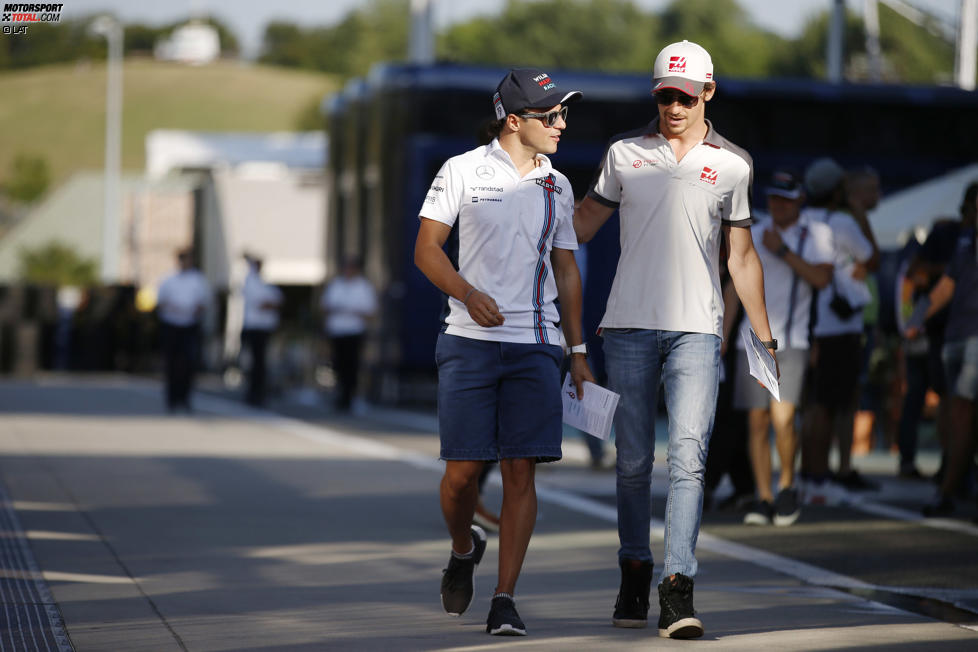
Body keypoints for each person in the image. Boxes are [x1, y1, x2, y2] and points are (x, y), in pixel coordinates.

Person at [574, 40, 776, 639]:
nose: (674, 107)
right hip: (629, 326)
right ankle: (634, 568)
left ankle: (677, 587)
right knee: (633, 464)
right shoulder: (623, 154)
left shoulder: (734, 165)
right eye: (664, 95)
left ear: (708, 93)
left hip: (697, 332)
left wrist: (763, 335)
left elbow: (741, 256)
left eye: (685, 97)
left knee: (688, 460)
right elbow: (581, 223)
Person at [414, 68, 593, 637]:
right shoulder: (461, 169)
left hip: (537, 346)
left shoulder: (557, 185)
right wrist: (468, 293)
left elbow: (566, 269)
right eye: (551, 116)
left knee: (521, 472)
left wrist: (578, 348)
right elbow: (426, 250)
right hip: (468, 341)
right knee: (461, 477)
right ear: (514, 121)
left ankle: (505, 598)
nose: (561, 125)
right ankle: (464, 548)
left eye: (563, 114)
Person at [729, 170, 834, 527]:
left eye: (785, 199)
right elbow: (733, 288)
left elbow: (822, 278)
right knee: (756, 422)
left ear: (799, 200)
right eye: (773, 198)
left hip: (794, 341)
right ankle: (764, 495)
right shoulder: (753, 233)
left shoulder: (816, 234)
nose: (778, 205)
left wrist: (784, 251)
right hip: (753, 340)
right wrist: (723, 334)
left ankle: (788, 484)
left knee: (783, 418)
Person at [800, 157, 879, 500]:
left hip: (806, 323)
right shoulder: (843, 223)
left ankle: (808, 473)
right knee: (830, 406)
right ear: (837, 191)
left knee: (811, 405)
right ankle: (820, 477)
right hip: (838, 327)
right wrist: (854, 209)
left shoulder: (801, 220)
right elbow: (872, 257)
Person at [908, 181, 978, 516]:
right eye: (971, 207)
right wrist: (916, 319)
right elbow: (945, 286)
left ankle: (948, 489)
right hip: (954, 337)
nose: (972, 213)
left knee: (962, 411)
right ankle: (953, 482)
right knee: (953, 411)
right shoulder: (964, 242)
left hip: (972, 340)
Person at [319, 255, 377, 412]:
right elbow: (324, 307)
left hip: (354, 332)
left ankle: (349, 397)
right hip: (337, 331)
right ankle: (340, 395)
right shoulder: (336, 285)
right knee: (338, 364)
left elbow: (371, 313)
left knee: (352, 366)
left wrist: (354, 311)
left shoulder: (364, 287)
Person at [156, 247, 211, 412]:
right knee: (171, 364)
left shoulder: (198, 280)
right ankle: (171, 399)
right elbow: (161, 302)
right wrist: (174, 310)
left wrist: (192, 312)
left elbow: (203, 303)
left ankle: (185, 398)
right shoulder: (168, 279)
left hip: (190, 325)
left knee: (188, 364)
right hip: (171, 324)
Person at [240, 254, 283, 406]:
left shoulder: (263, 283)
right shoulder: (250, 281)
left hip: (264, 328)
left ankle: (259, 392)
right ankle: (253, 392)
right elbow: (261, 304)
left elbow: (277, 301)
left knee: (261, 363)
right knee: (254, 362)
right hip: (253, 328)